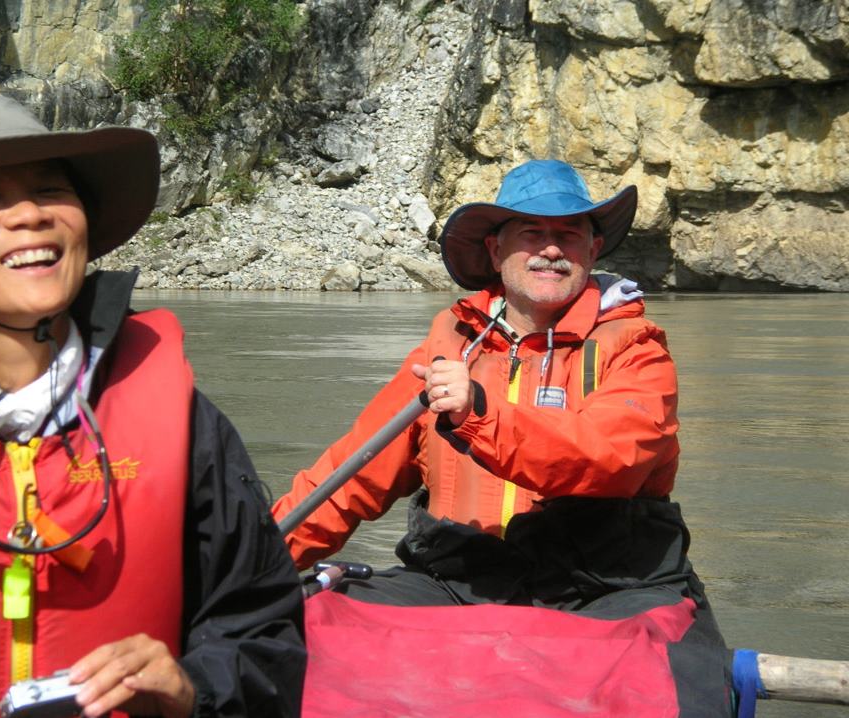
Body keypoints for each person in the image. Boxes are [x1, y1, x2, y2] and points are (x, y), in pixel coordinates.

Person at [0, 94, 305, 718]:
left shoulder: (185, 422)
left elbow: (263, 630)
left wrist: (194, 689)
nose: (29, 214)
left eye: (50, 189)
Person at [273, 161, 729, 692]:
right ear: (495, 252)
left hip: (607, 588)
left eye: (568, 235)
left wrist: (477, 415)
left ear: (592, 250)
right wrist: (249, 565)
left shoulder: (636, 348)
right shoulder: (446, 346)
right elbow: (349, 479)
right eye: (531, 233)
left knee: (668, 682)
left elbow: (610, 460)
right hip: (457, 580)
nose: (551, 249)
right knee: (291, 627)